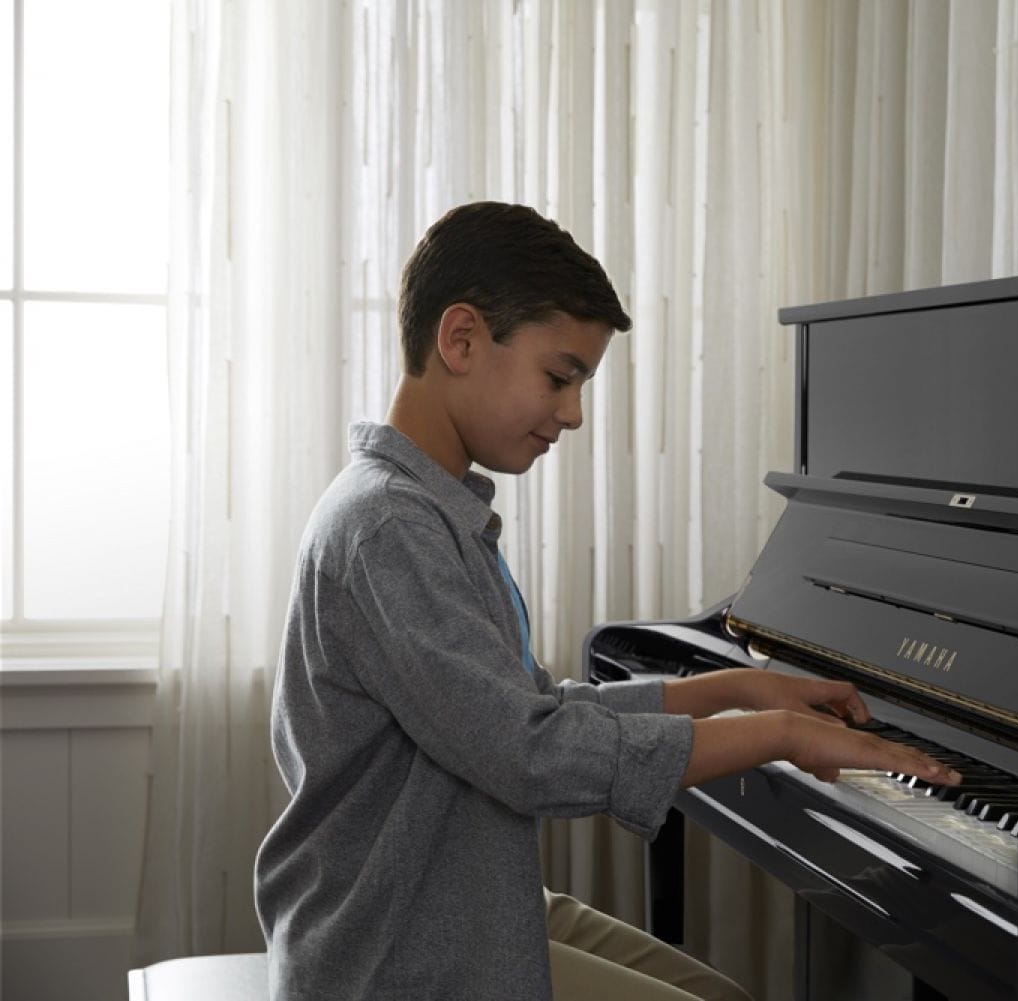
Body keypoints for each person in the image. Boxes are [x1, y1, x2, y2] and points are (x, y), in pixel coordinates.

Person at [253, 201, 960, 1001]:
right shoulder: (388, 527)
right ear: (460, 339)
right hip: (392, 951)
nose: (574, 414)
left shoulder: (430, 508)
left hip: (457, 900)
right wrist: (781, 734)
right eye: (560, 376)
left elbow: (535, 705)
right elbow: (530, 751)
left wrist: (737, 688)